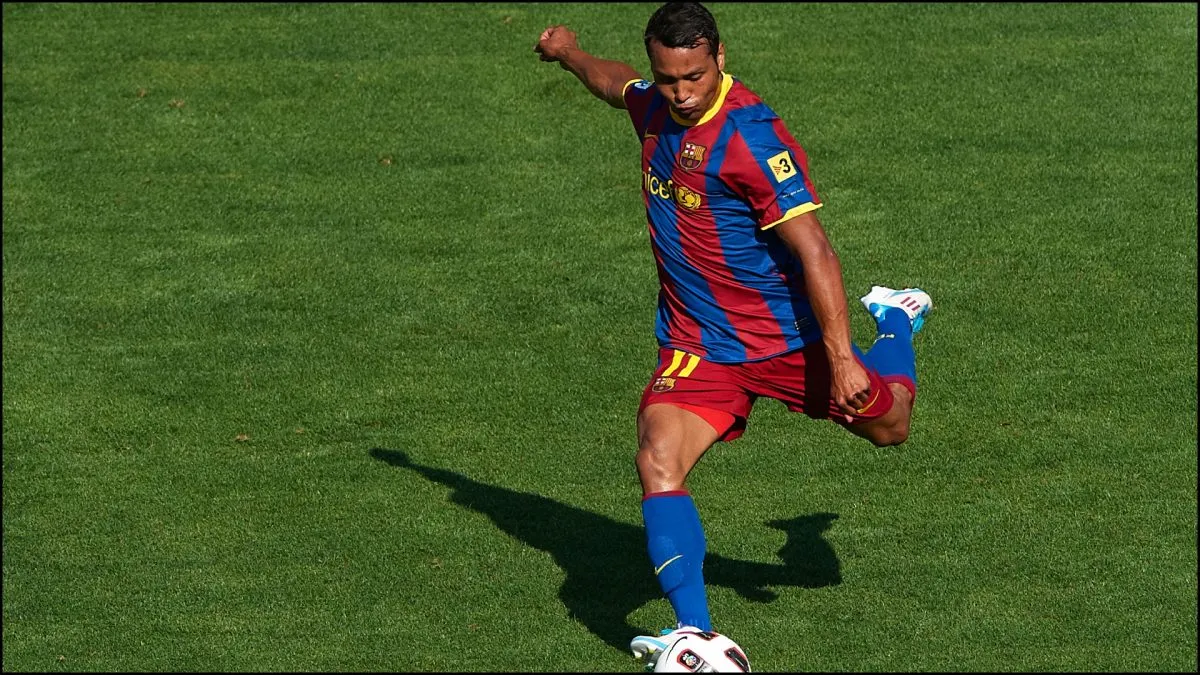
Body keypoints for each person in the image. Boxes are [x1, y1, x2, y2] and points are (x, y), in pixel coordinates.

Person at [535, 2, 933, 668]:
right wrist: (570, 51)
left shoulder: (752, 137)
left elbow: (816, 251)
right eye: (669, 79)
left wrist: (839, 357)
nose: (682, 94)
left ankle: (894, 317)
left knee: (890, 424)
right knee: (657, 456)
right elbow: (614, 84)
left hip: (786, 340)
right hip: (698, 345)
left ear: (720, 57)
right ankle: (696, 632)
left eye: (693, 77)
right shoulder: (654, 106)